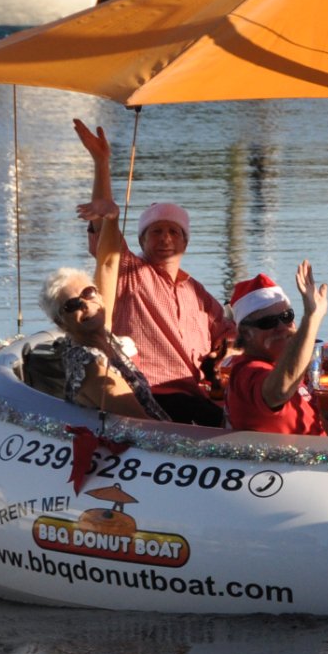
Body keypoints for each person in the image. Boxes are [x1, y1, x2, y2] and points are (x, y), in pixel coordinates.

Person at [73, 119, 232, 426]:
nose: (166, 238)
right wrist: (102, 165)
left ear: (186, 240)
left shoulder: (196, 292)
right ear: (141, 240)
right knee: (225, 428)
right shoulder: (131, 272)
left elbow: (227, 333)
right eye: (156, 231)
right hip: (150, 393)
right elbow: (106, 241)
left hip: (194, 394)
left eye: (174, 231)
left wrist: (225, 354)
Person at [35, 268, 169, 421]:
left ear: (99, 296)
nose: (85, 304)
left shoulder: (106, 338)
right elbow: (142, 423)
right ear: (61, 323)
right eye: (72, 305)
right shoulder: (89, 363)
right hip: (143, 440)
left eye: (88, 292)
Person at [224, 264, 328, 436]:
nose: (282, 328)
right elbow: (281, 389)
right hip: (290, 461)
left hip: (318, 456)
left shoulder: (278, 366)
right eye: (268, 322)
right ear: (246, 333)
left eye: (287, 317)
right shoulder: (246, 374)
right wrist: (312, 317)